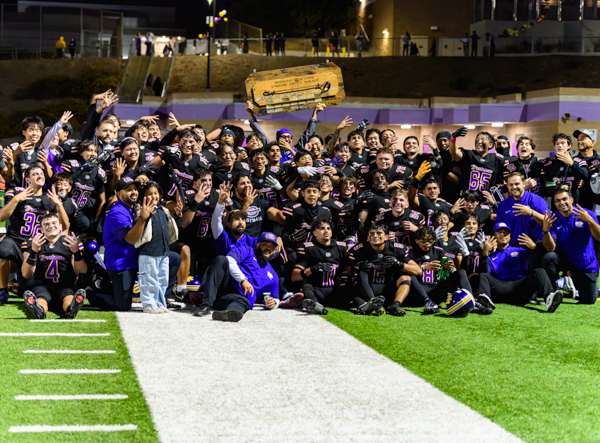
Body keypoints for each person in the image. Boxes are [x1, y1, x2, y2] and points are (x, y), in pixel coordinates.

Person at [475, 222, 563, 312]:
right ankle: (485, 300)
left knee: (539, 271)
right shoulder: (490, 256)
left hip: (520, 288)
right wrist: (485, 254)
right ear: (493, 236)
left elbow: (530, 269)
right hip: (501, 288)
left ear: (510, 236)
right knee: (483, 276)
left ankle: (549, 298)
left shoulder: (520, 251)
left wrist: (534, 250)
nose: (503, 234)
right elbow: (484, 273)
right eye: (500, 232)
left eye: (506, 232)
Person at [198, 232, 281, 322]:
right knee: (221, 259)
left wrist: (274, 303)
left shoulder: (273, 275)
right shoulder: (248, 251)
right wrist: (242, 280)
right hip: (224, 286)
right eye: (265, 244)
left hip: (235, 299)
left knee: (244, 302)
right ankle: (206, 305)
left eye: (272, 246)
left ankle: (228, 313)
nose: (268, 248)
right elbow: (229, 259)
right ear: (257, 245)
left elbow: (276, 297)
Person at [347, 222, 423, 316]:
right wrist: (356, 267)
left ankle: (395, 305)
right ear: (368, 237)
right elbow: (347, 273)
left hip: (388, 288)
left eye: (379, 233)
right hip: (368, 289)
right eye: (371, 234)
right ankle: (373, 302)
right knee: (360, 274)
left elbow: (419, 271)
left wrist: (398, 263)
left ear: (386, 237)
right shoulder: (359, 250)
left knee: (406, 277)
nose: (375, 236)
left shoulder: (396, 249)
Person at [21, 213, 87, 319]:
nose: (51, 226)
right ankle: (39, 310)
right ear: (41, 229)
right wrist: (33, 251)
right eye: (46, 224)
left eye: (54, 223)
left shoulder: (70, 241)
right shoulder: (32, 242)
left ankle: (71, 308)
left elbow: (81, 272)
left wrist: (76, 252)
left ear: (60, 226)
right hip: (41, 285)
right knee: (41, 298)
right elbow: (26, 273)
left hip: (64, 285)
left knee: (68, 296)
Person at [542, 189, 600, 305]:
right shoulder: (553, 219)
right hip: (566, 259)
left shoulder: (586, 213)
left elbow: (598, 237)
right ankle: (554, 292)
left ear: (571, 199)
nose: (561, 202)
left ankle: (572, 284)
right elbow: (550, 249)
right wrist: (545, 231)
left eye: (564, 199)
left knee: (588, 300)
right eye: (557, 201)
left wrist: (590, 221)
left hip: (584, 263)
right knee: (548, 257)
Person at [134, 182, 179, 314]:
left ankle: (159, 302)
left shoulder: (163, 210)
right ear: (144, 196)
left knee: (162, 279)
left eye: (156, 193)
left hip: (163, 251)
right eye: (149, 194)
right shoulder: (140, 209)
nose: (153, 196)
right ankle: (148, 303)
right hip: (148, 251)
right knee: (149, 278)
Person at [292, 219, 347, 315]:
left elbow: (348, 268)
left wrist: (346, 274)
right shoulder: (308, 248)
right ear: (314, 233)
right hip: (317, 291)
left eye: (328, 228)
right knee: (306, 287)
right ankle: (314, 305)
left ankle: (362, 304)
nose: (326, 231)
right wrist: (313, 269)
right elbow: (294, 276)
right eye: (322, 228)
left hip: (336, 290)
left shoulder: (341, 247)